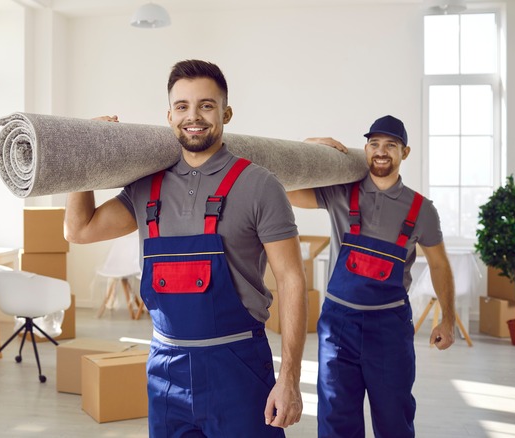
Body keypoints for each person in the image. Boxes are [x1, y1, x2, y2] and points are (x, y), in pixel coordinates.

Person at [64, 59, 307, 437]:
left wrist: (290, 378)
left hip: (237, 366)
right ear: (169, 115)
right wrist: (86, 152)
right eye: (182, 106)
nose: (193, 116)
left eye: (206, 105)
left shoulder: (260, 186)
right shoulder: (146, 187)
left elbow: (292, 280)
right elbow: (79, 230)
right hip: (166, 369)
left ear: (226, 112)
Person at [287, 115, 457, 437]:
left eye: (390, 145)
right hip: (338, 327)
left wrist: (447, 318)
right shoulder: (339, 193)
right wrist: (308, 148)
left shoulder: (421, 210)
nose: (381, 151)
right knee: (336, 421)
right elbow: (286, 191)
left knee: (394, 420)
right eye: (374, 144)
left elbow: (439, 264)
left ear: (404, 153)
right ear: (365, 149)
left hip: (389, 330)